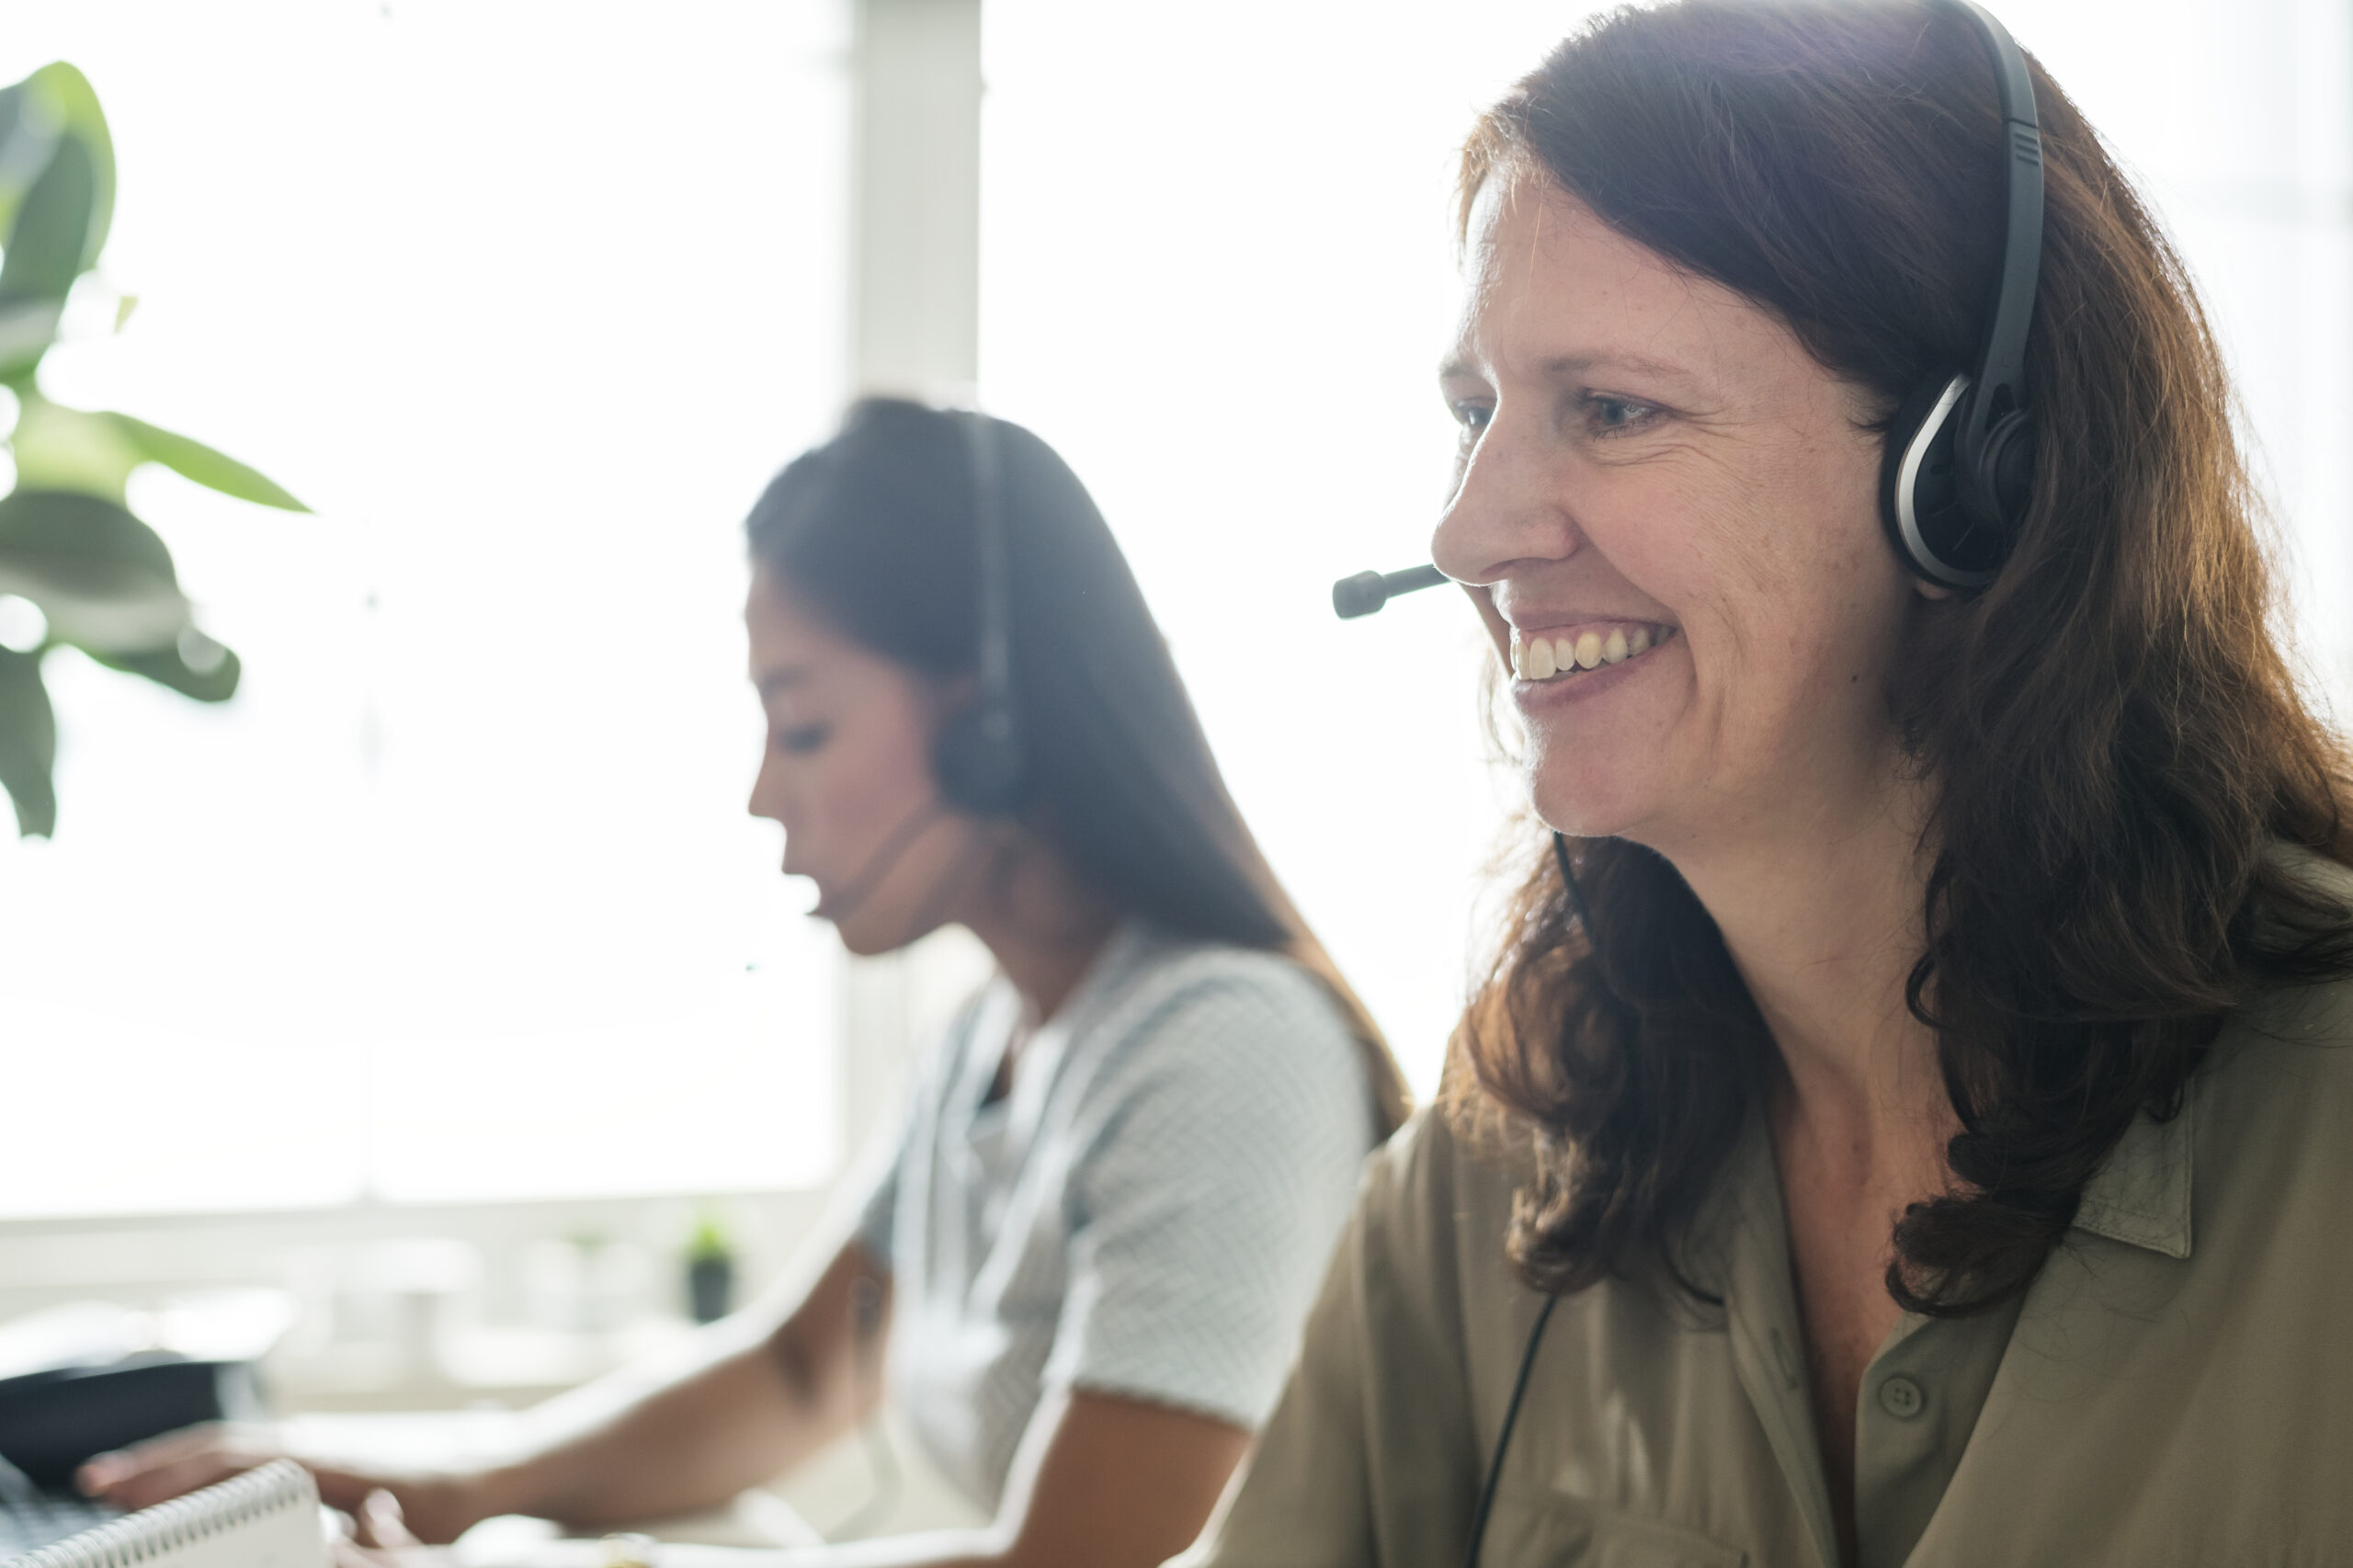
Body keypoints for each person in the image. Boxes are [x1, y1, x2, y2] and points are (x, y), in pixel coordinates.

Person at [1192, 3, 2353, 1565]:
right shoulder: (1492, 1178)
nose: (1468, 534)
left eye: (1612, 408)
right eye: (1478, 415)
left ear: (1976, 475)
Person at [84, 399, 1410, 1568]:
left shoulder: (1226, 1050)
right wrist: (419, 1485)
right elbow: (796, 1369)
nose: (765, 796)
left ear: (994, 721)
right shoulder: (986, 1047)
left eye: (807, 721)